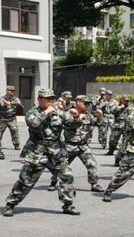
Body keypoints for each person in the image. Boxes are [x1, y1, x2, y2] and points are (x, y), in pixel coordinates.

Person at [3, 88, 80, 217]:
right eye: (47, 99)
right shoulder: (33, 112)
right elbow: (34, 124)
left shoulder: (59, 112)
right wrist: (46, 113)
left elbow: (73, 125)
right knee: (26, 181)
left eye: (52, 99)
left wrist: (76, 116)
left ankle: (68, 205)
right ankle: (10, 204)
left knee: (67, 176)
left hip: (56, 152)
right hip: (37, 152)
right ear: (39, 99)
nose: (51, 101)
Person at [49, 95, 105, 193]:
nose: (87, 106)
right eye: (85, 103)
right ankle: (53, 182)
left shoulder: (89, 115)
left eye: (88, 104)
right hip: (70, 145)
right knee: (60, 165)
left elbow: (99, 124)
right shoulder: (68, 114)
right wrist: (76, 116)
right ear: (78, 102)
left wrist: (100, 117)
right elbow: (71, 124)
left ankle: (94, 184)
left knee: (92, 164)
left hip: (83, 146)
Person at [0, 85, 22, 159]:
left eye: (13, 91)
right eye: (10, 91)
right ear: (7, 91)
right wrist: (4, 104)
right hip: (2, 119)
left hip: (12, 118)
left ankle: (16, 144)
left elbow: (20, 105)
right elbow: (1, 104)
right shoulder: (2, 99)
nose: (12, 92)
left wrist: (10, 103)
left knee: (15, 131)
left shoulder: (16, 99)